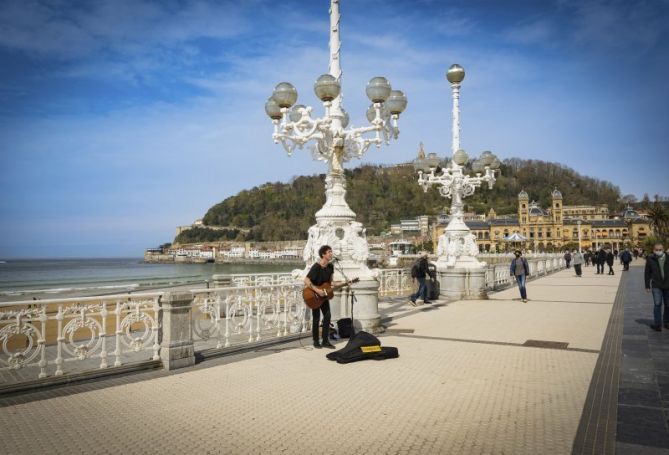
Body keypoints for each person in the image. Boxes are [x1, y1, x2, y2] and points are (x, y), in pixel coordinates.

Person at [304, 245, 337, 349]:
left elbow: (330, 282)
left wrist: (343, 283)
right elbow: (306, 280)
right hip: (314, 295)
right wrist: (317, 290)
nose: (331, 253)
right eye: (329, 252)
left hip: (324, 295)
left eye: (331, 252)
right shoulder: (316, 267)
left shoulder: (331, 267)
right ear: (323, 254)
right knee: (316, 318)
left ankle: (325, 341)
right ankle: (316, 340)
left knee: (327, 316)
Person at [644, 243, 669, 331]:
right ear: (654, 250)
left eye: (660, 249)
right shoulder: (650, 259)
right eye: (656, 250)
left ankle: (666, 322)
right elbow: (647, 273)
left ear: (663, 249)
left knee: (668, 304)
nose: (658, 251)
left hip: (667, 285)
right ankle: (657, 324)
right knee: (657, 304)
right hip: (656, 285)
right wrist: (647, 285)